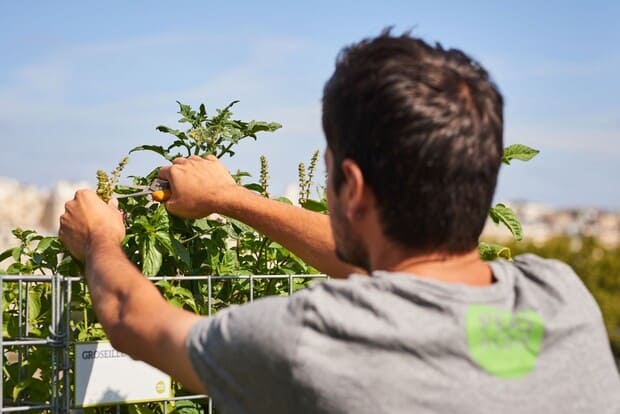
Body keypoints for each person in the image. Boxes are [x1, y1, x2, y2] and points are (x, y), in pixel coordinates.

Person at [59, 30, 620, 413]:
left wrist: (101, 240)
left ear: (350, 186)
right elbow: (391, 270)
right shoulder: (563, 302)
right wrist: (229, 198)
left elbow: (133, 318)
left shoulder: (314, 340)